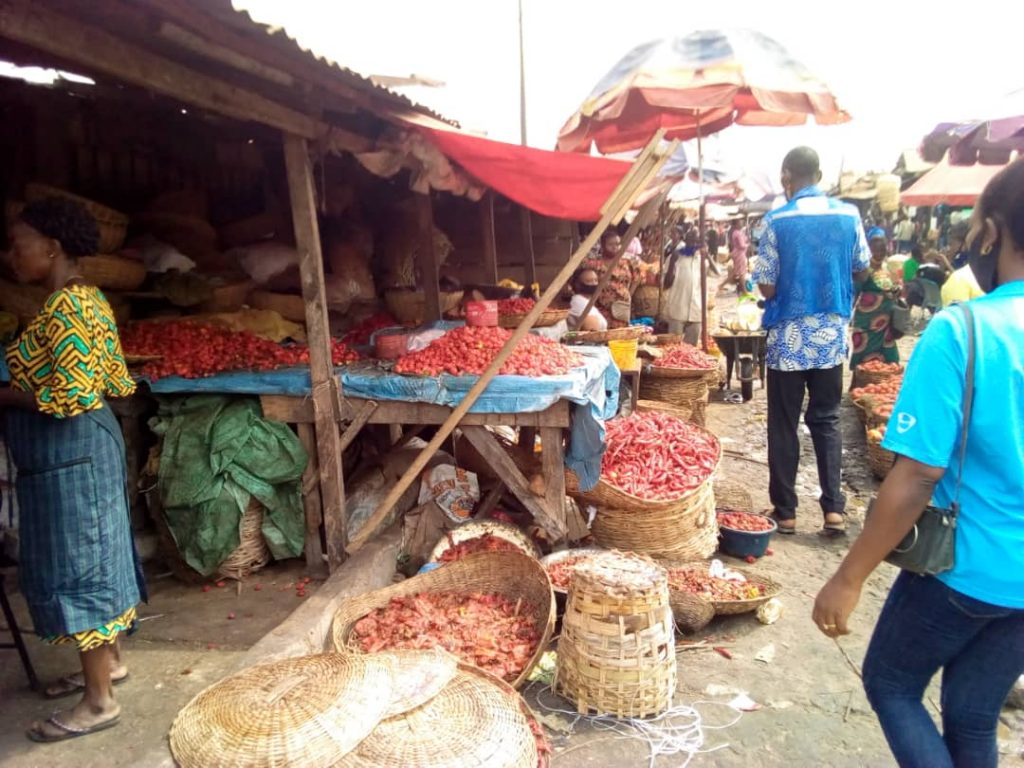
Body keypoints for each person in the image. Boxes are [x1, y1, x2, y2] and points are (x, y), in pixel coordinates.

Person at [813, 157, 1024, 768]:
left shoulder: (965, 331)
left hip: (968, 568)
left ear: (992, 230)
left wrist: (848, 577)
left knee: (892, 684)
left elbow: (915, 476)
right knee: (972, 713)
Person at [2, 197, 146, 742]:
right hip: (79, 449)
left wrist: (5, 397)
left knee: (81, 562)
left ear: (51, 247)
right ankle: (108, 664)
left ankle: (98, 702)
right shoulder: (82, 300)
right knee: (96, 550)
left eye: (19, 245)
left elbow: (71, 394)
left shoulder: (67, 309)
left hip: (73, 449)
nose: (12, 255)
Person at [753, 146, 870, 536]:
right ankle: (833, 510)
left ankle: (785, 512)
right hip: (831, 336)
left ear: (787, 176)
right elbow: (861, 268)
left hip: (788, 337)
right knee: (826, 420)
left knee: (784, 425)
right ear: (819, 175)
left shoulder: (776, 220)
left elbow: (767, 287)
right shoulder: (849, 215)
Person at [850, 228, 901, 368]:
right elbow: (854, 293)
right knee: (864, 356)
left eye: (882, 250)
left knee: (890, 355)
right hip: (867, 324)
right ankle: (859, 385)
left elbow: (893, 287)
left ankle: (883, 384)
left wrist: (896, 291)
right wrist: (847, 317)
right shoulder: (863, 269)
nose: (878, 254)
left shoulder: (887, 268)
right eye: (875, 250)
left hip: (886, 324)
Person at [584, 228, 641, 328]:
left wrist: (628, 294)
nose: (614, 247)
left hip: (621, 309)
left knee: (619, 335)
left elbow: (637, 278)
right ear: (602, 246)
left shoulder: (627, 262)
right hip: (602, 308)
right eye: (610, 244)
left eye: (617, 244)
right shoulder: (595, 264)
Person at [662, 230, 704, 345]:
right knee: (674, 347)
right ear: (686, 242)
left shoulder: (701, 260)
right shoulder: (675, 257)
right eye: (691, 242)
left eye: (697, 242)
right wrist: (672, 264)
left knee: (691, 349)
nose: (693, 245)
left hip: (696, 310)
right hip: (678, 308)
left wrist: (708, 256)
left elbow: (717, 273)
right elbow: (666, 284)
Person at [567, 267, 608, 331]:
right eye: (589, 281)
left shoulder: (587, 301)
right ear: (578, 284)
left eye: (596, 280)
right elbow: (592, 329)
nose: (594, 284)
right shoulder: (578, 301)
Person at [727, 219, 749, 291]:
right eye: (740, 222)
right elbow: (742, 245)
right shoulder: (738, 233)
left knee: (736, 272)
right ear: (736, 224)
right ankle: (744, 290)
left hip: (737, 253)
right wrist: (747, 245)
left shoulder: (736, 232)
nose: (741, 224)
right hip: (740, 254)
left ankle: (721, 285)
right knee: (742, 273)